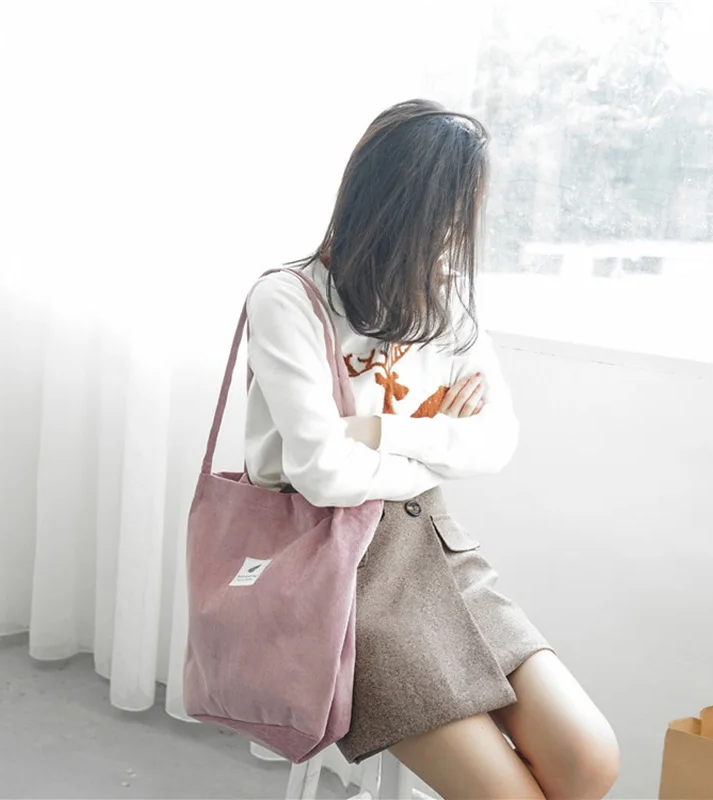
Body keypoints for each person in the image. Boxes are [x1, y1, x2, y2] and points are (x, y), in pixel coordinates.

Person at [244, 99, 620, 800]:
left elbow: (494, 444)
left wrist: (376, 431)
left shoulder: (447, 305)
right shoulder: (289, 300)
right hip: (336, 572)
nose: (460, 231)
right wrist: (434, 442)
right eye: (454, 210)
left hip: (438, 547)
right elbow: (321, 474)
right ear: (402, 207)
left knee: (589, 762)